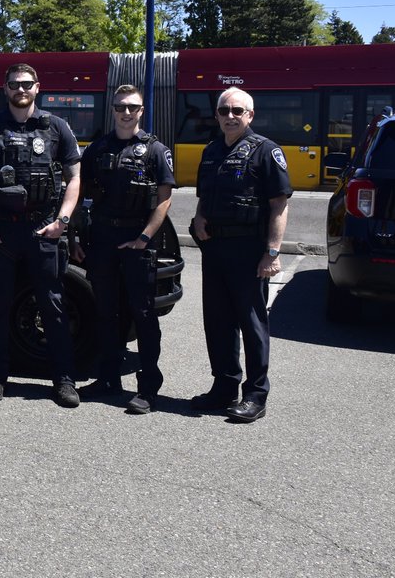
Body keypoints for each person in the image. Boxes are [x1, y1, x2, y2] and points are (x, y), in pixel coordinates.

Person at [0, 63, 83, 408]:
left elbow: (74, 177)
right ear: (5, 88)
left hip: (44, 228)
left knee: (53, 306)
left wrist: (62, 220)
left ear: (37, 87)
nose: (21, 89)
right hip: (0, 229)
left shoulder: (57, 127)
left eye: (27, 84)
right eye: (15, 84)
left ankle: (64, 381)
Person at [73, 85, 175, 414]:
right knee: (106, 312)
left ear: (142, 111)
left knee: (142, 315)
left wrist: (144, 238)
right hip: (102, 240)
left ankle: (148, 388)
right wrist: (74, 236)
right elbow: (79, 192)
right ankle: (108, 379)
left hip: (137, 242)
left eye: (133, 107)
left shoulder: (156, 150)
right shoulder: (97, 149)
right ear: (113, 110)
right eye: (120, 107)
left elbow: (164, 200)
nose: (126, 112)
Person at [190, 88, 290, 423]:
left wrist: (272, 252)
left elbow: (279, 206)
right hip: (215, 248)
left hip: (250, 251)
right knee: (217, 322)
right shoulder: (211, 151)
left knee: (251, 323)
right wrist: (200, 217)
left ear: (249, 115)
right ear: (216, 115)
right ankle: (223, 387)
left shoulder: (265, 151)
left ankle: (255, 394)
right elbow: (204, 196)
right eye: (223, 110)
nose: (229, 116)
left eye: (237, 110)